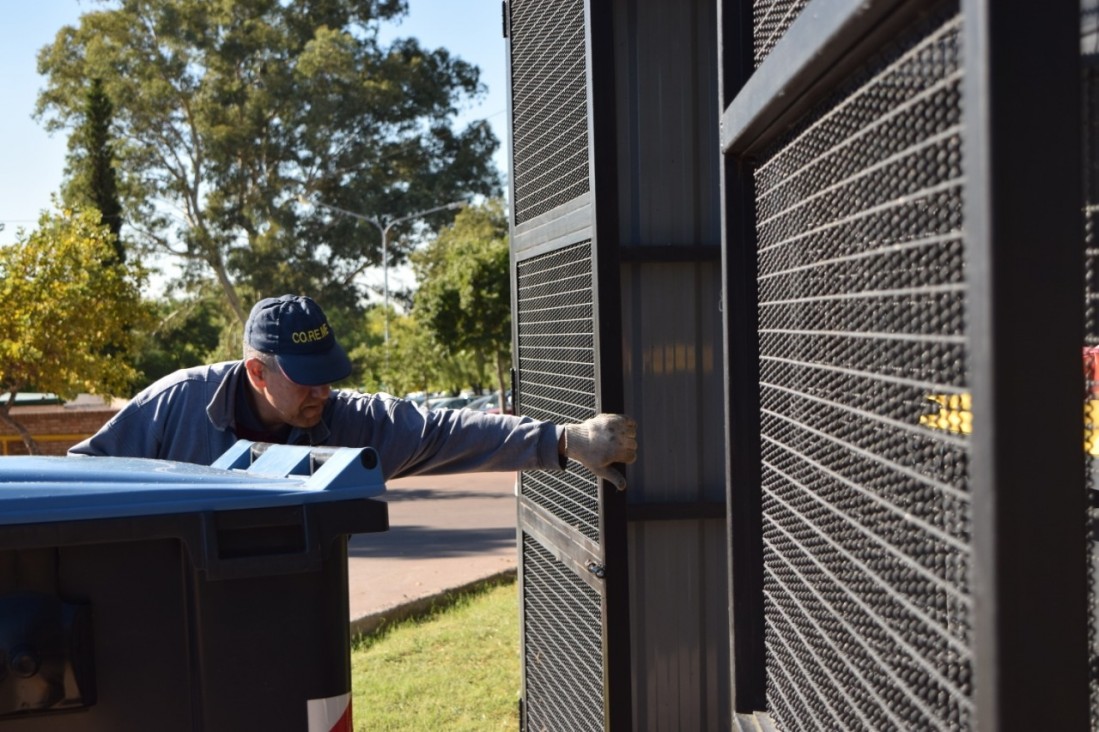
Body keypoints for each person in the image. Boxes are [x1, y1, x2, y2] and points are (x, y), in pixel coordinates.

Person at [69, 294, 638, 488]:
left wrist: (565, 440)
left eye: (327, 371)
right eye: (303, 374)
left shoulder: (344, 421)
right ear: (256, 372)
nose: (322, 388)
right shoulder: (174, 405)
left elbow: (444, 432)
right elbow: (81, 481)